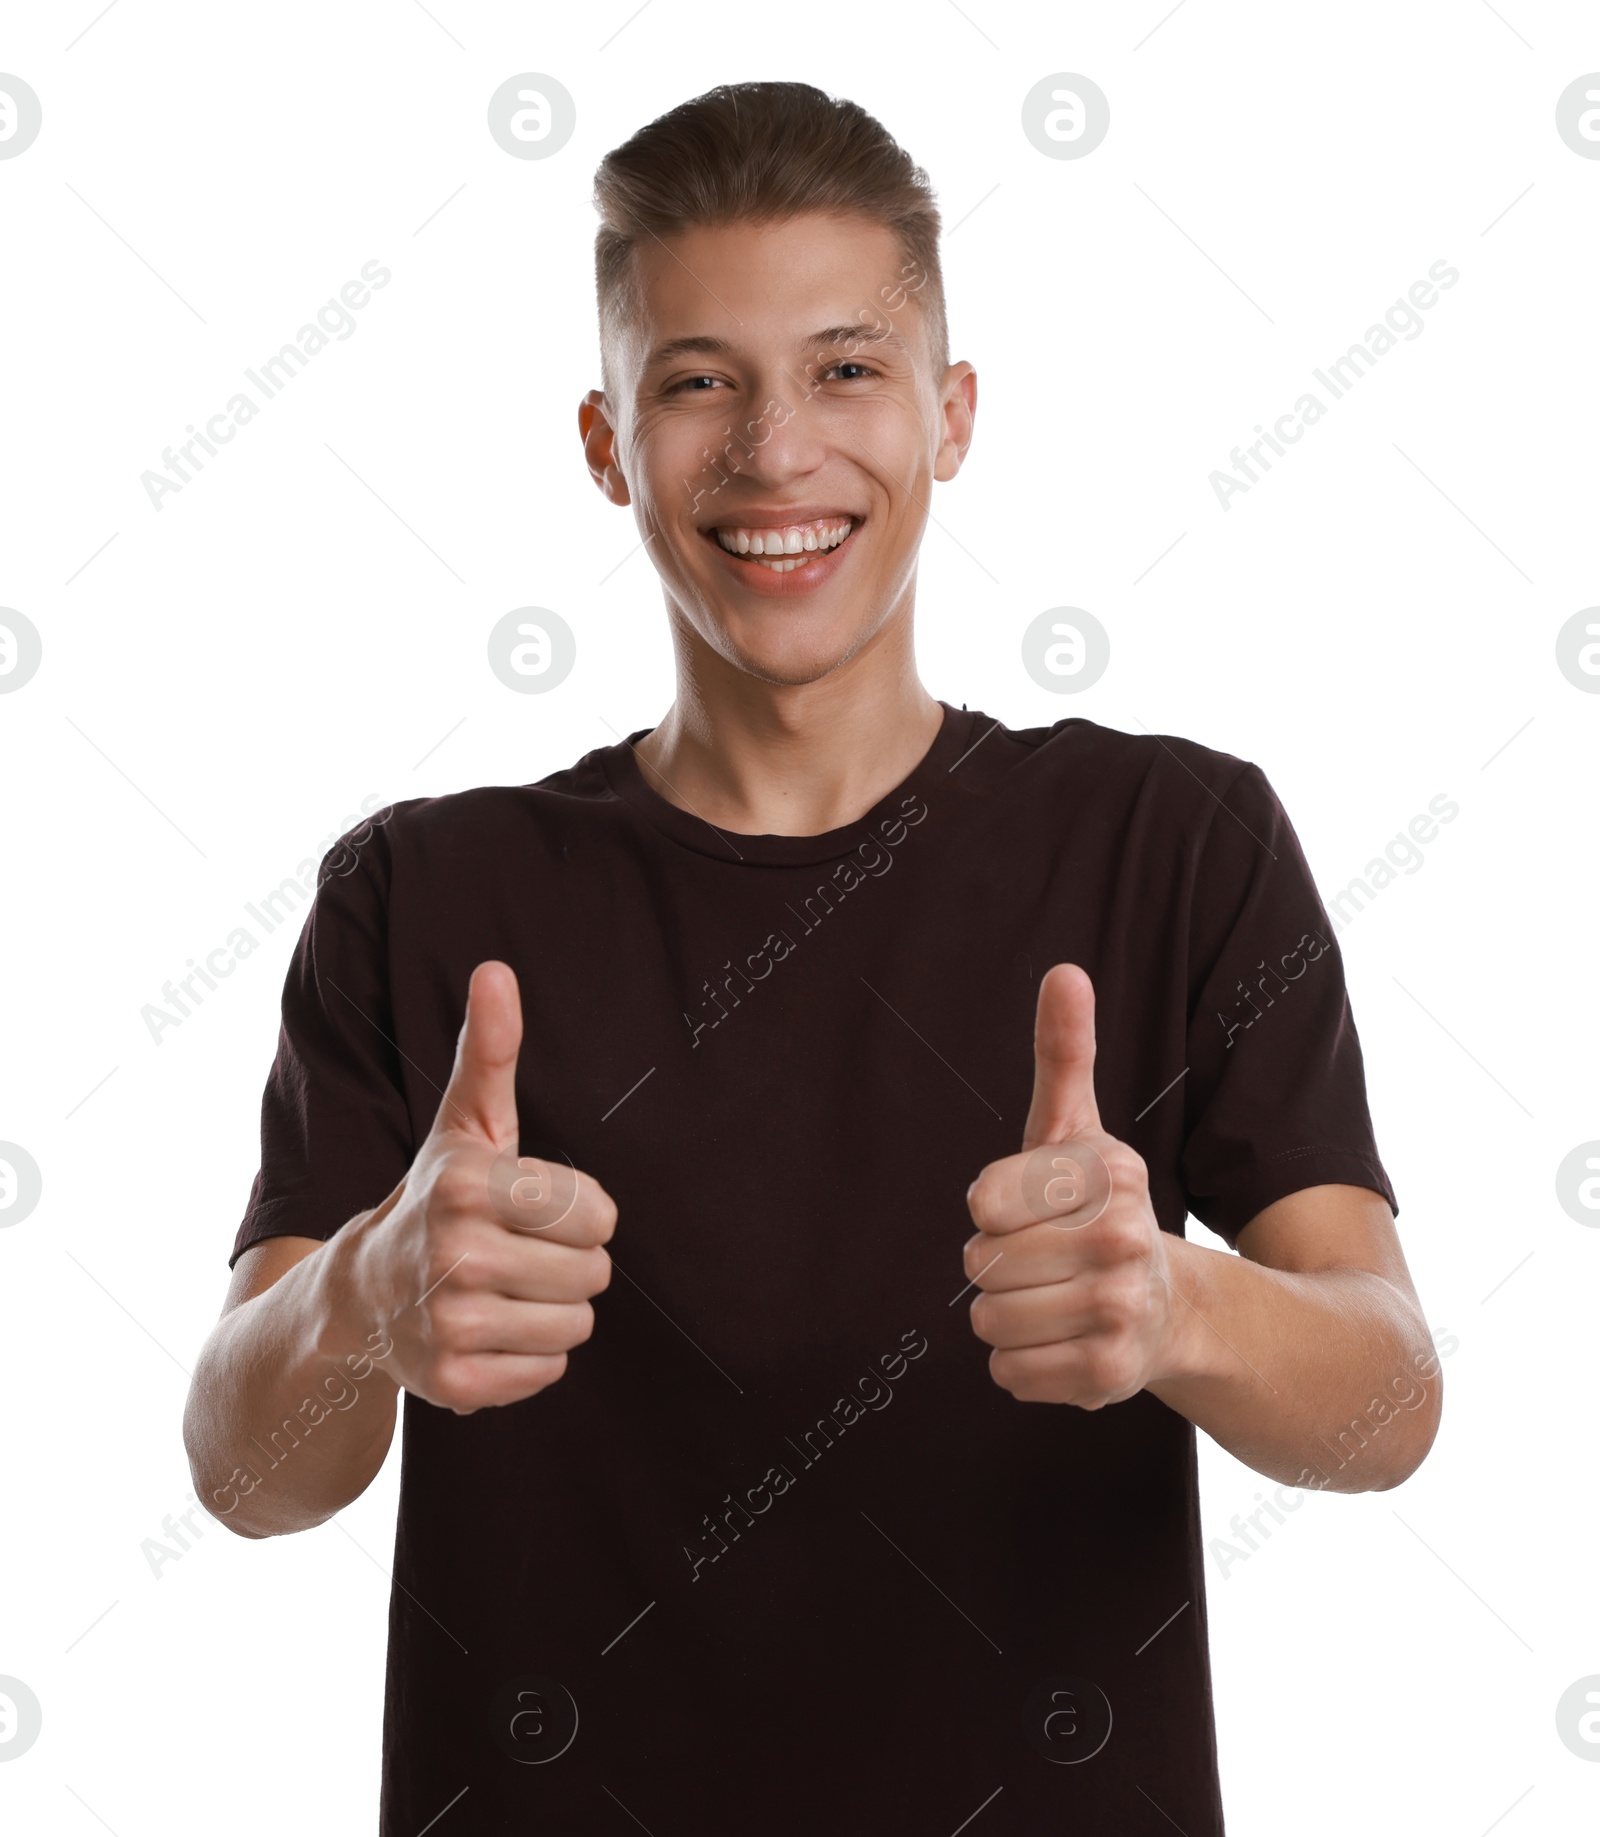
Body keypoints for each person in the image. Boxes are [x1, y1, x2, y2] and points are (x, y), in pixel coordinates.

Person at [183, 80, 1440, 1834]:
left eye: (847, 367)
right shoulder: (420, 889)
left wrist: (1180, 1298)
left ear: (954, 412)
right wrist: (356, 1300)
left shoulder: (1177, 844)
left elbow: (1388, 1402)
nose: (777, 450)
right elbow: (245, 1475)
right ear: (609, 441)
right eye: (699, 380)